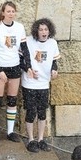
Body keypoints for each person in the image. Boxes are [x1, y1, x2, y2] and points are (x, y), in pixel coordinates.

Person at [0, 0, 29, 144]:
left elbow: (24, 48)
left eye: (13, 11)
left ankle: (10, 131)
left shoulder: (19, 27)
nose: (11, 14)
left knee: (12, 99)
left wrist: (27, 66)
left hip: (15, 66)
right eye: (8, 11)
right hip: (0, 67)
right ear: (2, 12)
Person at [21, 18, 60, 153]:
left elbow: (54, 61)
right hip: (30, 82)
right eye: (41, 29)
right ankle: (31, 139)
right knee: (31, 111)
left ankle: (41, 139)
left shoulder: (52, 43)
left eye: (46, 29)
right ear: (36, 31)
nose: (44, 32)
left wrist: (54, 70)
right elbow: (21, 59)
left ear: (49, 31)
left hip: (44, 83)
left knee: (42, 112)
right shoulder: (28, 41)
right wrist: (28, 69)